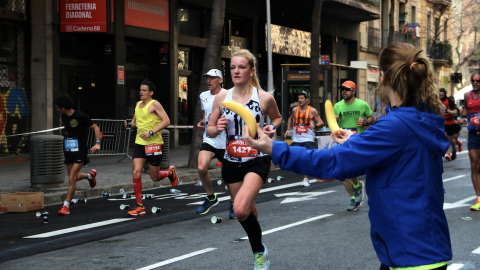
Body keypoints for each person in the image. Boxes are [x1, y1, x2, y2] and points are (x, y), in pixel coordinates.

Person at [245, 42, 452, 270]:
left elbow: (330, 163)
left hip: (411, 254)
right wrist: (355, 142)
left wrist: (274, 148)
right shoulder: (420, 118)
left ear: (382, 76)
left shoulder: (395, 126)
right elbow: (399, 158)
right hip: (422, 248)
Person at [207, 49, 281, 270]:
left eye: (241, 67)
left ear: (251, 71)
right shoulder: (222, 97)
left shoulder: (263, 97)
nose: (236, 71)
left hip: (256, 158)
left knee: (239, 210)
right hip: (231, 160)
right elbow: (210, 129)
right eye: (232, 67)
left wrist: (271, 127)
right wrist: (216, 128)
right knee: (248, 209)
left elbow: (276, 118)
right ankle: (260, 247)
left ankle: (259, 253)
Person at [124, 80, 179, 216]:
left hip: (154, 144)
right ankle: (139, 205)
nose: (141, 92)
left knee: (154, 177)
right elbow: (135, 123)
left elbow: (167, 121)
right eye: (140, 90)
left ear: (151, 93)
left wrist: (151, 132)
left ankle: (170, 173)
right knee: (136, 171)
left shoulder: (155, 104)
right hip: (140, 144)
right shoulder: (137, 105)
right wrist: (128, 124)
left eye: (144, 90)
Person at [195, 69, 235, 218]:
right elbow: (207, 113)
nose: (209, 81)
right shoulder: (203, 96)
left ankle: (233, 203)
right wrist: (203, 122)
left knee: (227, 177)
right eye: (207, 78)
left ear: (221, 80)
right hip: (210, 139)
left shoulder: (228, 95)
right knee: (201, 167)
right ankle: (211, 197)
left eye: (212, 78)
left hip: (226, 141)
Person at [56, 94, 101, 215]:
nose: (56, 109)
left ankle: (65, 206)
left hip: (80, 151)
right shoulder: (63, 116)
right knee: (73, 177)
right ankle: (90, 176)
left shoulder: (81, 116)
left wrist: (97, 144)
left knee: (71, 178)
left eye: (57, 107)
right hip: (68, 151)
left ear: (63, 107)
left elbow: (96, 128)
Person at [334, 80, 373, 211]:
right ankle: (354, 198)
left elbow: (372, 118)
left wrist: (366, 121)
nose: (344, 91)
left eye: (347, 89)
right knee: (343, 172)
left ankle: (356, 186)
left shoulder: (362, 105)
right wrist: (333, 122)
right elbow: (334, 125)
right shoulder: (337, 106)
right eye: (342, 89)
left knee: (350, 170)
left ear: (353, 91)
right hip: (342, 142)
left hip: (357, 142)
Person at [284, 91, 324, 187]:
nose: (300, 100)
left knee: (306, 158)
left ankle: (306, 178)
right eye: (298, 98)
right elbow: (290, 118)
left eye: (302, 98)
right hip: (297, 138)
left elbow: (321, 122)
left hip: (308, 138)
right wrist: (287, 129)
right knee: (297, 157)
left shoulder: (312, 111)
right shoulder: (294, 110)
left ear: (306, 100)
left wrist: (315, 126)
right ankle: (312, 167)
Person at [462, 72, 480, 211]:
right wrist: (461, 117)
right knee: (475, 165)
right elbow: (465, 111)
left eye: (477, 80)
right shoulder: (467, 95)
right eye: (473, 80)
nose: (475, 82)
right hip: (473, 133)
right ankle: (479, 199)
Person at [439, 89, 458, 161]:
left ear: (445, 94)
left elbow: (456, 113)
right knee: (443, 137)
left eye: (442, 94)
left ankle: (454, 149)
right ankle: (447, 154)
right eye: (439, 95)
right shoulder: (436, 101)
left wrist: (447, 110)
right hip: (441, 122)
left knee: (450, 139)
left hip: (450, 122)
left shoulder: (449, 101)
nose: (441, 96)